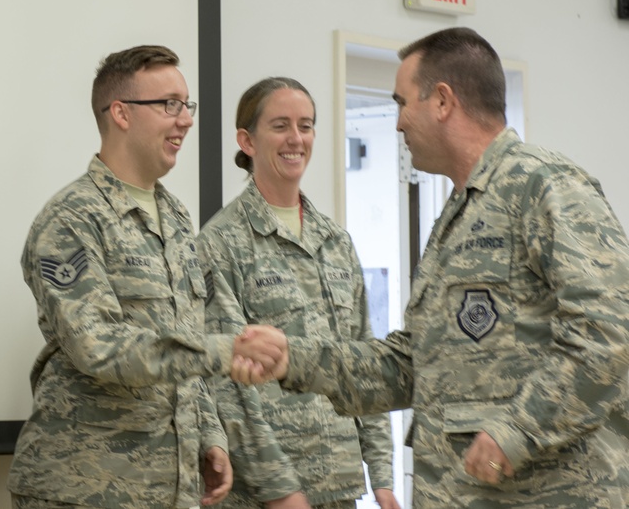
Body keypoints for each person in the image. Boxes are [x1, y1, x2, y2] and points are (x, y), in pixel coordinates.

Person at [237, 27, 629, 507]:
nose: (398, 123)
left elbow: (608, 332)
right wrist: (294, 360)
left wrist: (519, 430)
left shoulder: (545, 186)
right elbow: (412, 363)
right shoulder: (457, 214)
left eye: (403, 102)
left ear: (442, 101)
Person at [7, 45, 288, 508]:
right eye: (169, 105)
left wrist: (209, 434)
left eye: (187, 105)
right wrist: (225, 349)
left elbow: (182, 338)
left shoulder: (175, 216)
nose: (185, 120)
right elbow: (97, 345)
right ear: (120, 113)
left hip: (166, 487)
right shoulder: (72, 218)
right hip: (84, 488)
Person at [199, 78, 400, 509]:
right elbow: (227, 383)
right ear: (246, 140)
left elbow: (364, 359)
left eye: (306, 126)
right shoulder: (220, 243)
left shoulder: (336, 241)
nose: (296, 139)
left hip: (341, 484)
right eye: (281, 126)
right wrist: (279, 489)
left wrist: (381, 474)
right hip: (266, 494)